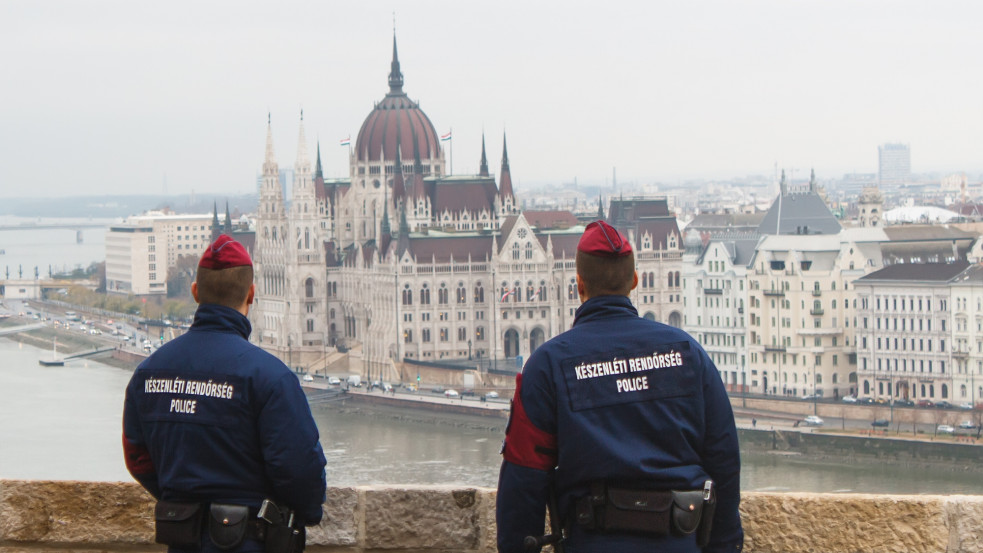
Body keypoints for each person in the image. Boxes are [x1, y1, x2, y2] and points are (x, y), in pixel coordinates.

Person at [496, 220, 743, 553]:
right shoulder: (688, 353)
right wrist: (724, 546)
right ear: (635, 281)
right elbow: (724, 458)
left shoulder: (547, 366)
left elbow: (524, 480)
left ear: (578, 285)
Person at [122, 234, 327, 553]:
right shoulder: (271, 378)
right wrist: (307, 513)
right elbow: (298, 468)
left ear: (194, 293)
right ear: (252, 293)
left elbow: (137, 458)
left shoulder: (147, 373)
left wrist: (182, 500)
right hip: (251, 542)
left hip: (183, 540)